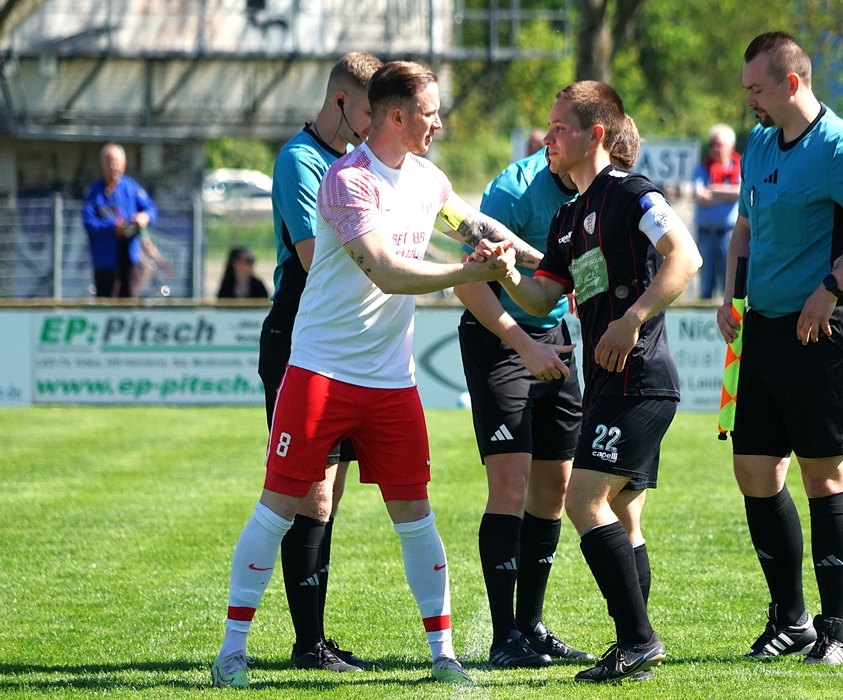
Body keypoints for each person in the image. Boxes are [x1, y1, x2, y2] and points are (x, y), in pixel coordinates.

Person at [211, 59, 539, 689]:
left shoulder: (428, 179)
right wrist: (474, 271)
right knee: (279, 507)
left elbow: (474, 224)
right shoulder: (348, 180)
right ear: (396, 116)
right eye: (430, 112)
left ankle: (444, 656)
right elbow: (387, 272)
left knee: (416, 514)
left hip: (391, 382)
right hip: (320, 373)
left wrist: (539, 259)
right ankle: (232, 652)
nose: (439, 123)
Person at [490, 81, 701, 683]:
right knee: (622, 513)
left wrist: (633, 320)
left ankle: (638, 641)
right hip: (608, 383)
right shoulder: (566, 218)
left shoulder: (633, 192)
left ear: (596, 135)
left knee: (583, 499)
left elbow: (685, 256)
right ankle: (633, 644)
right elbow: (541, 297)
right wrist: (505, 272)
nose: (548, 138)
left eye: (560, 128)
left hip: (642, 379)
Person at [716, 32, 843, 667]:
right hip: (764, 330)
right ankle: (792, 618)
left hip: (825, 332)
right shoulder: (760, 143)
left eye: (757, 88)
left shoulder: (840, 148)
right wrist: (732, 297)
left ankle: (835, 631)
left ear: (792, 83)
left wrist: (831, 288)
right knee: (754, 469)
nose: (749, 99)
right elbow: (744, 229)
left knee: (823, 474)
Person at [453, 116, 642, 670]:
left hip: (554, 338)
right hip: (498, 339)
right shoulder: (514, 191)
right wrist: (522, 345)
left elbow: (578, 278)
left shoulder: (594, 192)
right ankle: (502, 637)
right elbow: (468, 281)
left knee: (555, 489)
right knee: (510, 484)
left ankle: (530, 626)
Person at [256, 51, 383, 675]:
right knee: (309, 493)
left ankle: (314, 640)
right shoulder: (300, 161)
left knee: (327, 494)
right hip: (299, 334)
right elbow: (315, 259)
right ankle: (308, 645)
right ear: (341, 103)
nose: (376, 124)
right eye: (370, 111)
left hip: (342, 338)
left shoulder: (358, 163)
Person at [82, 143, 165, 298]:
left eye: (116, 163)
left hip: (130, 257)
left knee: (129, 299)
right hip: (105, 260)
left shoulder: (130, 188)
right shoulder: (95, 192)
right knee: (106, 301)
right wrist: (112, 227)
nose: (113, 167)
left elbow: (151, 210)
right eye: (110, 162)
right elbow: (88, 222)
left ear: (123, 166)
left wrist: (144, 217)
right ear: (103, 166)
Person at [692, 124, 741, 300]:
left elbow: (740, 192)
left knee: (729, 286)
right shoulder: (702, 168)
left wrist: (713, 189)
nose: (715, 148)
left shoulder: (739, 167)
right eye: (712, 144)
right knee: (706, 287)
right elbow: (700, 196)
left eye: (719, 144)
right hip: (706, 235)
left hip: (730, 235)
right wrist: (727, 195)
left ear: (731, 147)